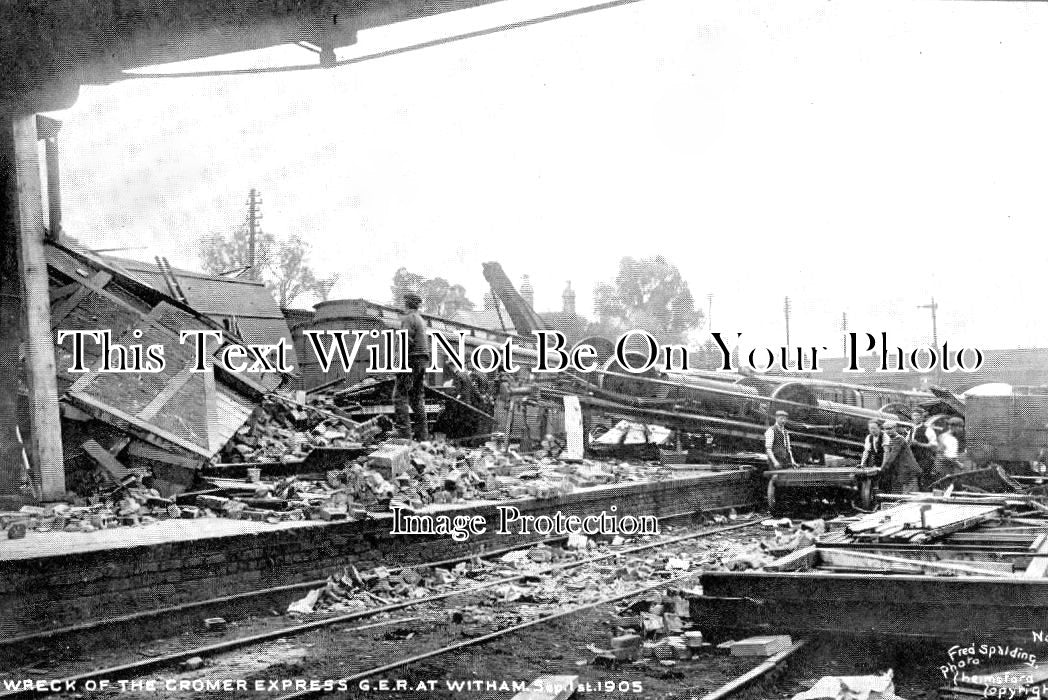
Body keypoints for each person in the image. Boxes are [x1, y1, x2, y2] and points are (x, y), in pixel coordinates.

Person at [392, 292, 430, 441]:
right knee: (417, 398)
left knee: (399, 396)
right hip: (422, 361)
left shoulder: (408, 318)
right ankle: (422, 437)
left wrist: (398, 365)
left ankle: (404, 436)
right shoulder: (420, 319)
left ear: (407, 303)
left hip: (411, 360)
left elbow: (405, 341)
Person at [882, 421, 922, 493]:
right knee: (907, 493)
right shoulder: (893, 439)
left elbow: (892, 455)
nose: (888, 431)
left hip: (909, 469)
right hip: (905, 470)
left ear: (895, 428)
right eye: (886, 429)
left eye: (890, 428)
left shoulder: (898, 439)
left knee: (910, 495)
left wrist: (883, 468)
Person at [907, 407, 937, 488]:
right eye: (914, 415)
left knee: (924, 481)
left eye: (918, 415)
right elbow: (906, 444)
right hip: (914, 459)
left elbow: (934, 445)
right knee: (915, 481)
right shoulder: (911, 430)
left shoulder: (928, 430)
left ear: (921, 417)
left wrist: (919, 444)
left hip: (925, 459)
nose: (916, 417)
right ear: (912, 417)